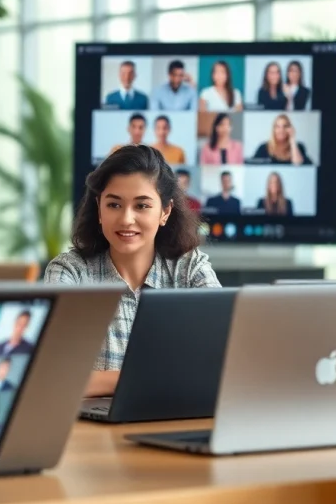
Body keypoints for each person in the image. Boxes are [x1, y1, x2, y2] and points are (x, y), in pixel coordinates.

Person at [43, 145, 221, 397]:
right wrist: (147, 378)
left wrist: (105, 380)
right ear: (99, 209)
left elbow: (221, 361)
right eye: (114, 205)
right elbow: (51, 376)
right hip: (91, 429)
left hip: (174, 420)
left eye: (142, 206)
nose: (126, 219)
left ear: (165, 211)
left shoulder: (190, 267)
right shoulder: (69, 272)